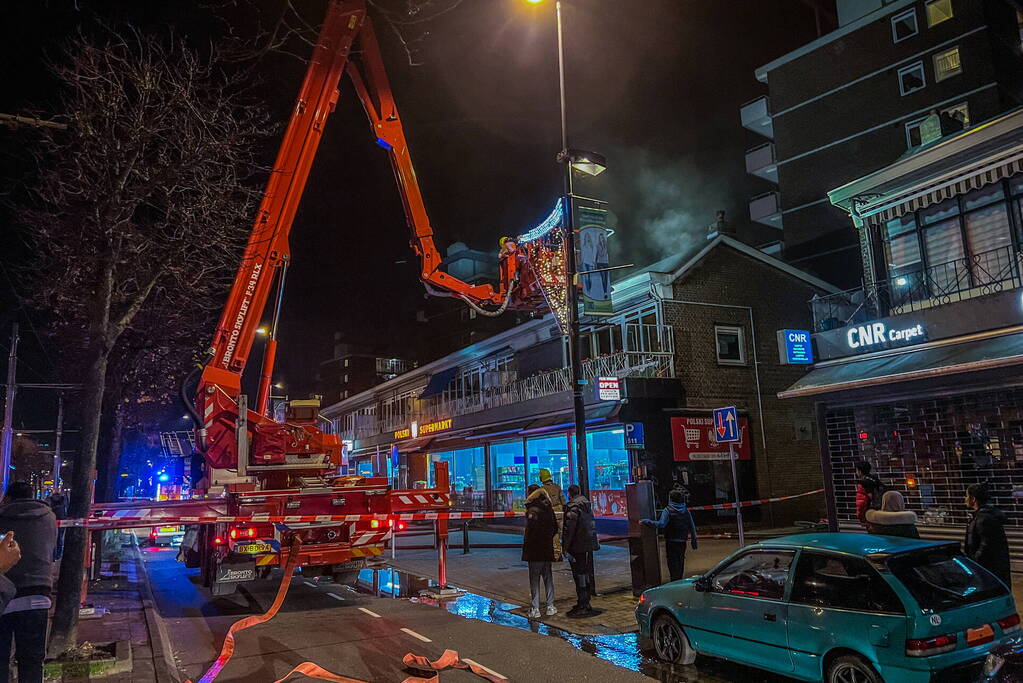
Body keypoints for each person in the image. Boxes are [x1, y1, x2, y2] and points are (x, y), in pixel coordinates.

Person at [0, 482, 56, 683]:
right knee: (32, 659)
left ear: (9, 497)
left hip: (5, 593)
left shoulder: (2, 516)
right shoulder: (48, 516)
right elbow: (53, 550)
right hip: (38, 594)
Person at [641, 489, 698, 581]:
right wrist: (694, 541)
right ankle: (679, 581)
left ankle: (674, 582)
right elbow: (692, 526)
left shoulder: (667, 510)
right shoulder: (686, 510)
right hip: (682, 542)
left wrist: (647, 522)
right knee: (680, 562)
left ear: (671, 499)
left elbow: (662, 524)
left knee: (672, 564)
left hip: (671, 541)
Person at [562, 484, 600, 618]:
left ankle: (582, 603)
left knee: (578, 574)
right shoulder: (586, 505)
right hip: (587, 544)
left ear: (570, 494)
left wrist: (565, 546)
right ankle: (585, 601)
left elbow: (569, 529)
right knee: (585, 573)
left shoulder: (573, 507)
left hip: (577, 546)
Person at [522, 484, 557, 619]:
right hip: (547, 548)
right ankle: (550, 606)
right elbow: (554, 528)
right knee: (548, 577)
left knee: (534, 579)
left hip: (534, 549)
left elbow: (531, 531)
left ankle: (535, 608)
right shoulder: (549, 508)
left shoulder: (532, 509)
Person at [964, 483, 1010, 586]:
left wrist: (974, 563)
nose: (965, 499)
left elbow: (986, 547)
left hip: (987, 571)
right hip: (990, 570)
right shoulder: (983, 516)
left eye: (967, 496)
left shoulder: (984, 518)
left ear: (973, 499)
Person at [538, 468, 564, 559]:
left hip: (551, 513)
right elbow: (563, 501)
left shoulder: (542, 490)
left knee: (554, 534)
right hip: (560, 512)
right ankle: (562, 551)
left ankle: (557, 554)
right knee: (561, 533)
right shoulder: (557, 487)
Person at [854, 461, 881, 528]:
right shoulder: (875, 480)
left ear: (860, 471)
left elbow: (861, 503)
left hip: (869, 515)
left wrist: (861, 518)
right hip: (880, 512)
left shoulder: (862, 484)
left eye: (856, 470)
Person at [46, 489, 68, 561]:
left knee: (52, 538)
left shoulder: (51, 499)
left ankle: (53, 555)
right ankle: (58, 554)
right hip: (62, 520)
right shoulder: (63, 499)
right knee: (59, 538)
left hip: (52, 519)